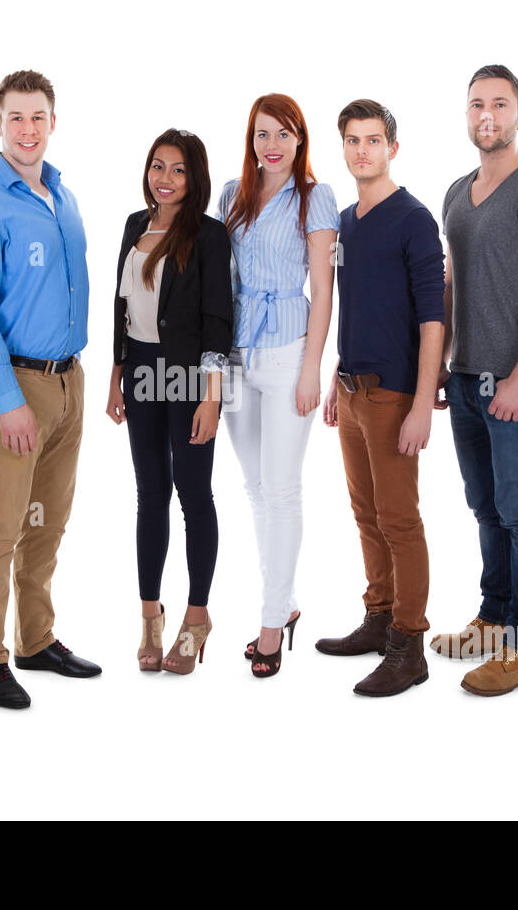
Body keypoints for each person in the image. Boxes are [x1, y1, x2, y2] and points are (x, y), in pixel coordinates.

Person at [0, 70, 99, 710]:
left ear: (52, 122)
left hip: (70, 380)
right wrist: (9, 400)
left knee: (48, 522)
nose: (28, 129)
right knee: (2, 526)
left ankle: (36, 639)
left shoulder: (61, 194)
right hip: (18, 386)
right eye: (16, 117)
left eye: (38, 117)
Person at [432, 65, 518, 696]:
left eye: (499, 104)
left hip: (514, 383)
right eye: (476, 105)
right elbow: (452, 283)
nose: (486, 115)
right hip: (464, 378)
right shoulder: (456, 193)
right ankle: (492, 620)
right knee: (485, 509)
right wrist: (440, 362)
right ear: (467, 117)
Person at [317, 100, 445, 697]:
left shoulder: (413, 219)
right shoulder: (345, 220)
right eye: (352, 140)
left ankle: (409, 645)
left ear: (392, 147)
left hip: (395, 394)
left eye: (373, 140)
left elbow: (430, 318)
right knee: (365, 514)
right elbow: (360, 305)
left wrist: (422, 402)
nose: (362, 150)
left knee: (399, 520)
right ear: (342, 147)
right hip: (352, 390)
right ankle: (379, 617)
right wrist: (339, 374)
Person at [218, 93, 338, 679]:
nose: (273, 145)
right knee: (255, 487)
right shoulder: (230, 195)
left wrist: (313, 366)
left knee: (283, 487)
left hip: (290, 349)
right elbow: (220, 281)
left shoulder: (316, 199)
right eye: (263, 134)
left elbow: (323, 288)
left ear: (299, 140)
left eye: (283, 134)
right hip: (239, 352)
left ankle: (270, 622)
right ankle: (284, 601)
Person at [105, 129, 233, 674]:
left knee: (193, 492)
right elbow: (120, 305)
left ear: (194, 177)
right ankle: (150, 616)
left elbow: (217, 319)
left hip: (186, 375)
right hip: (139, 371)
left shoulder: (208, 234)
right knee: (149, 493)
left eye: (178, 169)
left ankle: (197, 614)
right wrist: (117, 373)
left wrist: (212, 396)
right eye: (158, 166)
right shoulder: (136, 225)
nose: (165, 178)